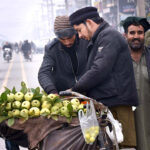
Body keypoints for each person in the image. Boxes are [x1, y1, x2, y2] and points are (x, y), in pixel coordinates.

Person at [69, 7, 138, 149]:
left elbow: (99, 69)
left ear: (89, 22)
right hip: (108, 102)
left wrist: (74, 89)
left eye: (79, 30)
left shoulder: (109, 36)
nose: (79, 35)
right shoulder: (99, 38)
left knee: (124, 145)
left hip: (117, 103)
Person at [38, 15, 88, 94]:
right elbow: (44, 73)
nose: (67, 42)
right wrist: (52, 91)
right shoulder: (51, 48)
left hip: (88, 91)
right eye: (62, 39)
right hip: (64, 94)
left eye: (69, 38)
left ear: (75, 32)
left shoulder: (86, 42)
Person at [121, 16, 150, 150]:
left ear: (144, 35)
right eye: (132, 33)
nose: (136, 36)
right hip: (127, 117)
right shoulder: (118, 60)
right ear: (125, 35)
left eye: (140, 32)